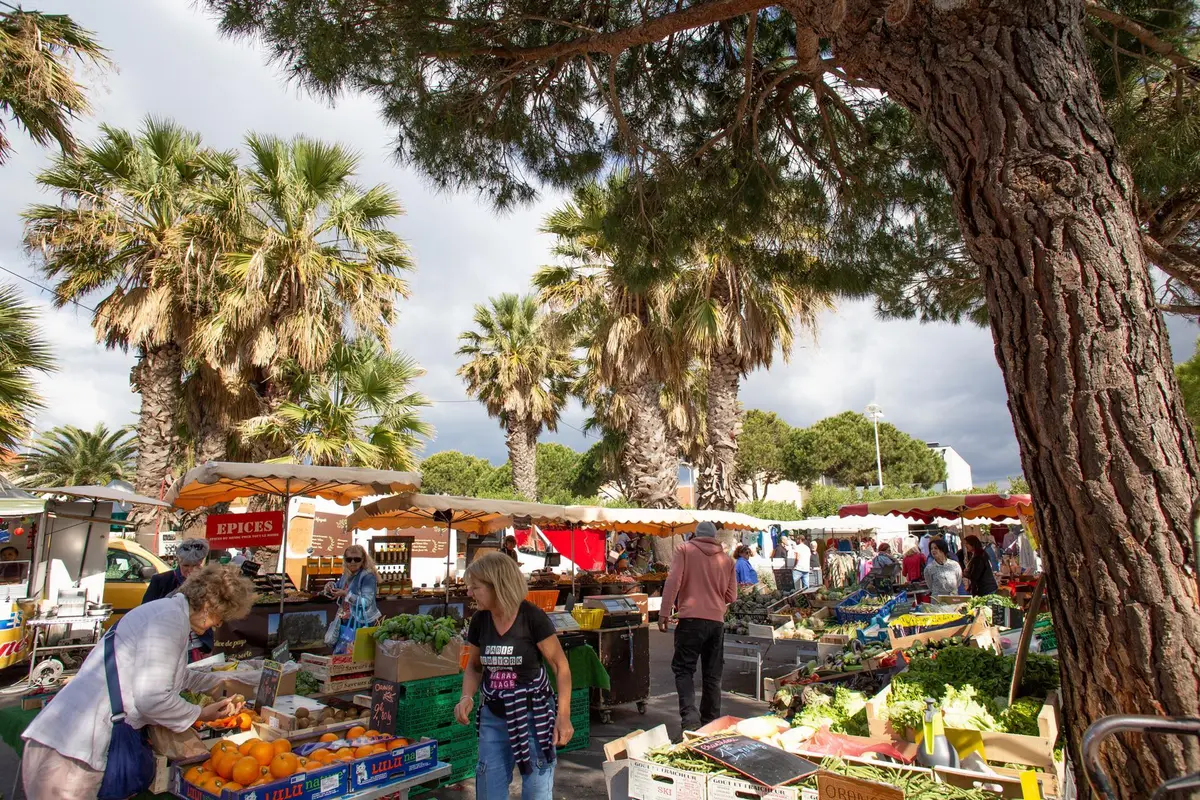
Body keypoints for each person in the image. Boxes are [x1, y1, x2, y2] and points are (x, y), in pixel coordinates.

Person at [22, 565, 254, 800]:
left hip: (74, 743)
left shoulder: (168, 614)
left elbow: (177, 675)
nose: (217, 625)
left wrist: (223, 682)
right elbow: (152, 699)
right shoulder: (169, 621)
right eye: (219, 617)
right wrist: (200, 714)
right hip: (74, 752)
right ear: (208, 605)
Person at [456, 552, 572, 800]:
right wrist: (466, 696)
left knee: (536, 792)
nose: (469, 593)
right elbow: (475, 667)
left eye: (475, 587)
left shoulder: (532, 617)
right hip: (494, 716)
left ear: (497, 586)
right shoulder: (480, 620)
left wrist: (563, 717)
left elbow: (561, 667)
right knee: (489, 790)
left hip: (534, 715)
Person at [658, 521, 737, 732]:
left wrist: (664, 612)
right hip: (716, 622)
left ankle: (690, 719)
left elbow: (673, 581)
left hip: (690, 619)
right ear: (715, 536)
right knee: (712, 674)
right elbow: (732, 596)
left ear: (695, 534)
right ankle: (711, 722)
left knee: (684, 669)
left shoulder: (685, 549)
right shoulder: (727, 560)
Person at [324, 544, 382, 654]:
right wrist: (330, 588)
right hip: (345, 621)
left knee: (356, 656)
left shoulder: (368, 577)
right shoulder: (346, 575)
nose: (353, 562)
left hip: (361, 622)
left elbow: (366, 602)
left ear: (363, 560)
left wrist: (346, 594)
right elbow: (337, 588)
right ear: (345, 560)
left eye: (357, 559)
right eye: (349, 559)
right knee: (342, 656)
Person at [143, 538, 209, 603]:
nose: (190, 570)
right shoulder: (160, 581)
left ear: (201, 562)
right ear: (178, 561)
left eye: (195, 565)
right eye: (186, 565)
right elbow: (145, 609)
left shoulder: (208, 581)